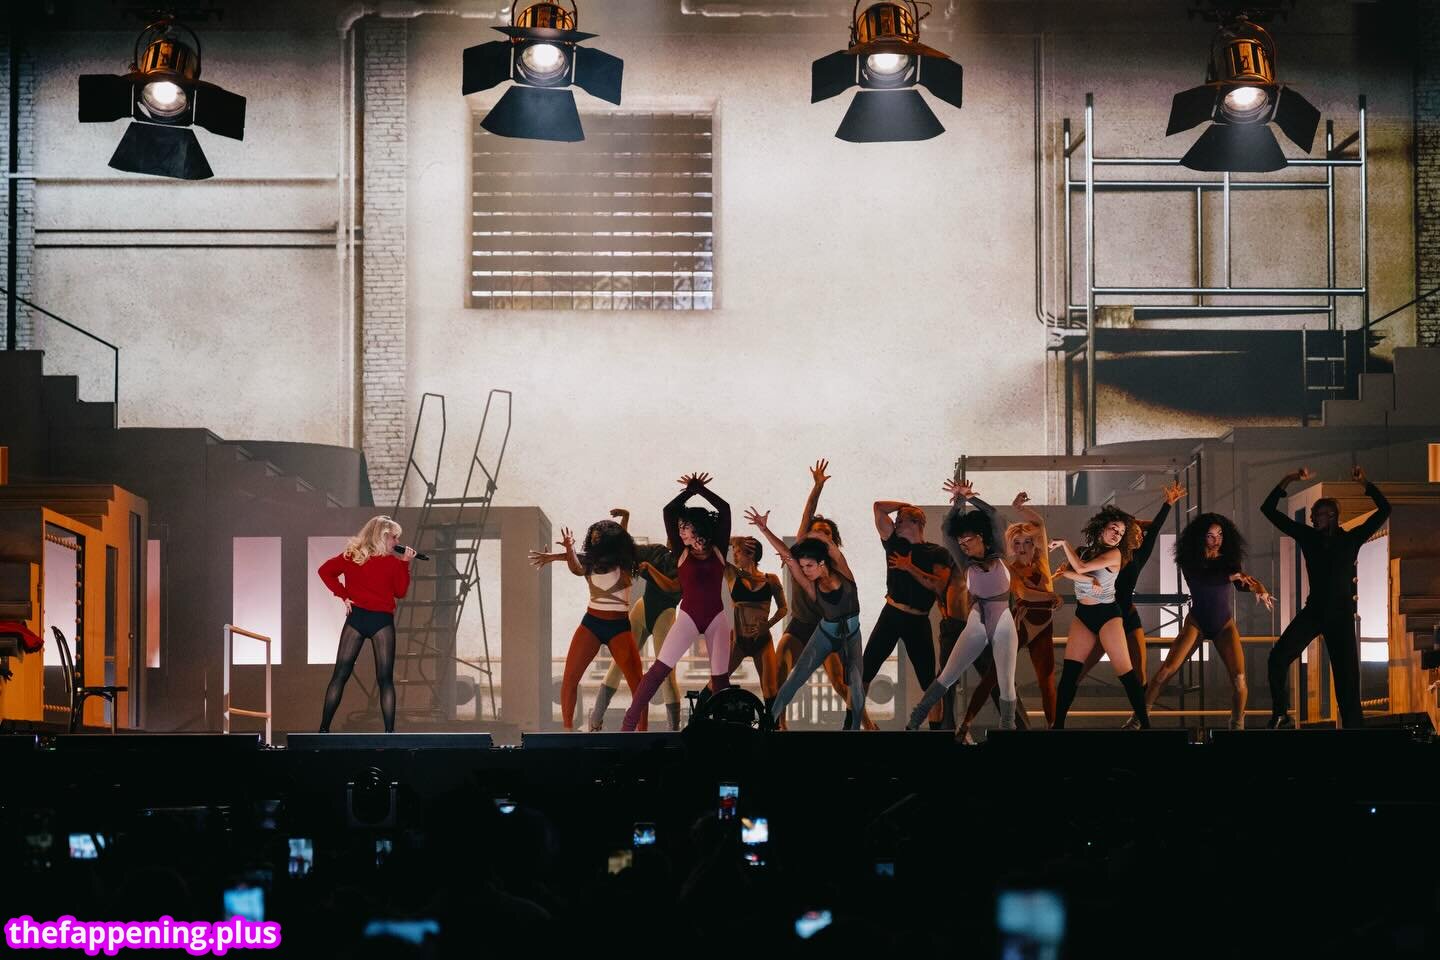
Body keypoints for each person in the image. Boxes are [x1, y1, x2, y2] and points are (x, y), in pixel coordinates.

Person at [1262, 465, 1390, 729]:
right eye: (1312, 515)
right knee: (1277, 658)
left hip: (1340, 616)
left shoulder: (1351, 539)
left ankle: (1355, 734)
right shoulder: (1309, 537)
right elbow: (1268, 510)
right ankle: (1281, 713)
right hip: (1315, 611)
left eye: (1317, 514)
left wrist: (1365, 483)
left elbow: (1385, 509)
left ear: (1332, 516)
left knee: (1347, 683)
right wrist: (1289, 478)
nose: (1312, 519)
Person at [904, 480, 1021, 730]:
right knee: (947, 675)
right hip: (977, 621)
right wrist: (958, 502)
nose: (964, 545)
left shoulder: (998, 551)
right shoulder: (963, 561)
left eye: (967, 540)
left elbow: (994, 515)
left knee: (1006, 683)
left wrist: (970, 498)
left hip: (1003, 622)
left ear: (981, 536)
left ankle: (1009, 729)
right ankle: (914, 721)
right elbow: (947, 530)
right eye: (961, 543)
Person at [622, 474, 733, 731]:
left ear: (698, 528)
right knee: (658, 671)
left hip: (717, 619)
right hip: (688, 618)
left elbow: (725, 509)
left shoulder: (718, 547)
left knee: (721, 682)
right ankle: (627, 725)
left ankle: (725, 733)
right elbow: (668, 511)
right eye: (680, 527)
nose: (680, 531)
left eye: (685, 527)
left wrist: (702, 490)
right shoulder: (680, 550)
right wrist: (690, 491)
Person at [1141, 512, 1272, 729]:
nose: (1216, 540)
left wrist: (1259, 588)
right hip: (1197, 623)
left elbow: (1241, 582)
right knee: (1165, 672)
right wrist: (1232, 577)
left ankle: (1236, 723)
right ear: (1200, 537)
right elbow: (1202, 581)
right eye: (1210, 535)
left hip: (1223, 625)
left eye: (1220, 535)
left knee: (1239, 680)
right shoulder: (1190, 560)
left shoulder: (1229, 560)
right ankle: (1139, 718)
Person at [772, 460, 876, 730]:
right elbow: (807, 516)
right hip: (800, 625)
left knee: (841, 682)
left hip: (828, 629)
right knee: (780, 664)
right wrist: (817, 486)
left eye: (825, 534)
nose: (819, 535)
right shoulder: (802, 555)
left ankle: (867, 724)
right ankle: (778, 725)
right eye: (815, 532)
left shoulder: (838, 568)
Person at [1077, 482, 1187, 727]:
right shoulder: (1106, 554)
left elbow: (1154, 529)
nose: (1140, 537)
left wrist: (1168, 503)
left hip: (1127, 617)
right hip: (1103, 619)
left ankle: (1139, 721)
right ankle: (1056, 717)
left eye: (1140, 535)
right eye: (1135, 534)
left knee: (1139, 673)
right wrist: (1134, 524)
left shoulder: (1140, 555)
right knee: (1080, 670)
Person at [745, 508, 866, 729]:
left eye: (809, 566)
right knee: (796, 677)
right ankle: (769, 721)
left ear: (822, 563)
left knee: (856, 683)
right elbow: (788, 557)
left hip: (852, 635)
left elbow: (830, 546)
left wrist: (813, 534)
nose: (805, 572)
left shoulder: (843, 571)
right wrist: (764, 529)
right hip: (826, 633)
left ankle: (854, 730)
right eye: (803, 567)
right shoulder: (811, 586)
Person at [955, 491, 1059, 740]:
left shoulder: (1043, 560)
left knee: (1047, 680)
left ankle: (1054, 729)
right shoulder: (1009, 568)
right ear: (1011, 546)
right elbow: (1023, 593)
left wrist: (1019, 508)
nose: (1022, 547)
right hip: (1021, 622)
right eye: (1017, 543)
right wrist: (1053, 596)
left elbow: (1040, 524)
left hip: (1044, 624)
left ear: (1034, 543)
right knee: (992, 676)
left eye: (1027, 542)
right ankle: (965, 724)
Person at [529, 514, 648, 731]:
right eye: (592, 538)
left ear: (610, 540)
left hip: (618, 627)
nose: (594, 541)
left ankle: (643, 734)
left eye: (598, 538)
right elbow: (575, 566)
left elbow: (621, 538)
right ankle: (567, 730)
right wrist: (567, 549)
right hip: (592, 624)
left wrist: (626, 517)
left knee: (638, 685)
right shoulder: (590, 561)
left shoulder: (625, 561)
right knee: (570, 678)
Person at [1049, 506, 1151, 729]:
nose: (1117, 535)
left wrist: (1064, 544)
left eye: (1121, 533)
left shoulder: (1115, 555)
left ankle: (1145, 726)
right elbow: (1067, 571)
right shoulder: (1082, 551)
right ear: (1101, 527)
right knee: (1069, 675)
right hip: (1083, 615)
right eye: (1114, 528)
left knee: (1126, 674)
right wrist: (1088, 579)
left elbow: (1079, 568)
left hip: (1108, 615)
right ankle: (1057, 728)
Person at [861, 496, 956, 728]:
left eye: (901, 520)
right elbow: (878, 507)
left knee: (929, 682)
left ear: (916, 523)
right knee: (865, 671)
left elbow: (939, 586)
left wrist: (908, 567)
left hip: (917, 620)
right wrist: (905, 505)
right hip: (891, 615)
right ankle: (853, 724)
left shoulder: (937, 552)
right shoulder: (894, 543)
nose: (896, 523)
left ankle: (936, 731)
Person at [585, 510, 684, 731]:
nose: (671, 536)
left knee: (667, 673)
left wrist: (651, 570)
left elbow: (672, 588)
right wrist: (626, 518)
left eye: (677, 532)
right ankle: (595, 720)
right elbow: (626, 548)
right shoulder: (657, 551)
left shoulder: (686, 564)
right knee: (618, 663)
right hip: (643, 608)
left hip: (665, 613)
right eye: (672, 531)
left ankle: (674, 729)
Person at [316, 516, 414, 733]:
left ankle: (324, 731)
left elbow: (325, 571)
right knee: (381, 680)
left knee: (344, 676)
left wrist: (343, 594)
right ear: (382, 536)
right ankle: (388, 734)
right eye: (394, 537)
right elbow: (401, 592)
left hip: (361, 619)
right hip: (378, 621)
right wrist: (405, 563)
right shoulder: (370, 559)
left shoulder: (355, 556)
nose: (397, 542)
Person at [726, 536, 787, 710]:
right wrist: (737, 540)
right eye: (734, 551)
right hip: (738, 640)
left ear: (751, 554)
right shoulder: (732, 574)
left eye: (738, 552)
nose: (734, 556)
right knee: (718, 679)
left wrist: (768, 625)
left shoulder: (771, 579)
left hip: (762, 641)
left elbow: (783, 608)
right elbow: (717, 543)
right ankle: (698, 718)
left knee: (770, 689)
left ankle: (772, 725)